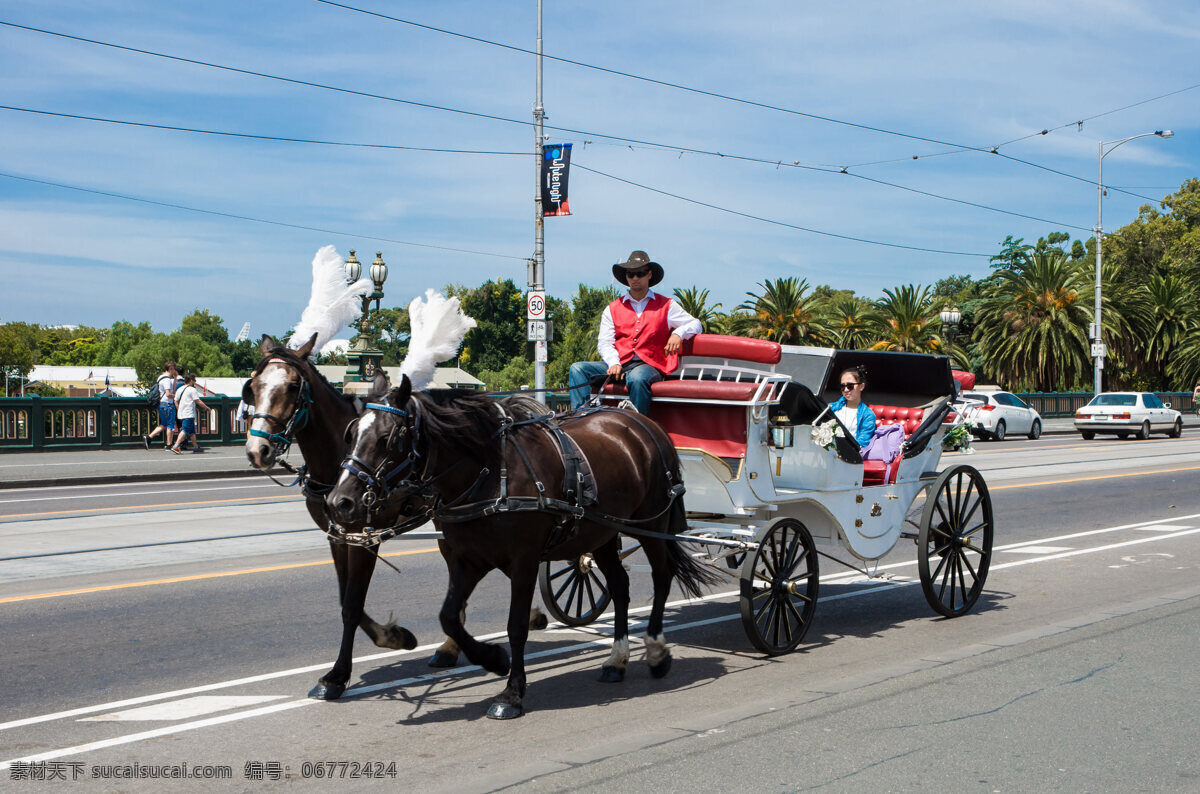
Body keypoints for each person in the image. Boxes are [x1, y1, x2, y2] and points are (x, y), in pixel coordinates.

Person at [568, 250, 702, 415]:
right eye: (631, 274)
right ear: (626, 277)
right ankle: (582, 417)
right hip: (620, 364)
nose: (635, 278)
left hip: (649, 366)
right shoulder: (612, 309)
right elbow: (604, 342)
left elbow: (696, 324)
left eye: (640, 273)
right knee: (577, 369)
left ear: (649, 274)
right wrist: (614, 363)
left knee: (637, 378)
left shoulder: (666, 305)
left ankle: (639, 426)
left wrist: (678, 333)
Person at [828, 365, 876, 448]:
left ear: (861, 386)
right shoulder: (830, 408)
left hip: (850, 456)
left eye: (850, 386)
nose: (846, 390)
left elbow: (862, 443)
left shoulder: (868, 415)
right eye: (842, 386)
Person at [170, 373, 210, 454]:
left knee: (192, 431)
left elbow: (175, 401)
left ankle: (196, 447)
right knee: (185, 430)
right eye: (194, 380)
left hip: (181, 413)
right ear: (191, 380)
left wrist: (179, 408)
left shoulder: (179, 389)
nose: (194, 382)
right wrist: (206, 407)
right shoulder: (192, 390)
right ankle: (176, 446)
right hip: (189, 413)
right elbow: (197, 400)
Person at [143, 362, 179, 450]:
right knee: (170, 425)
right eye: (174, 369)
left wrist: (175, 378)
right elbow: (168, 394)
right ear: (171, 369)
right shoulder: (166, 380)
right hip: (168, 405)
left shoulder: (161, 377)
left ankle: (149, 437)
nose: (175, 371)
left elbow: (173, 389)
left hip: (161, 405)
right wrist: (178, 397)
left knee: (164, 424)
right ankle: (169, 445)